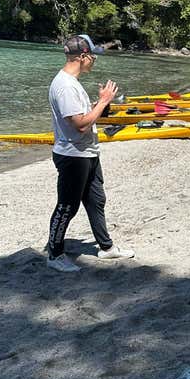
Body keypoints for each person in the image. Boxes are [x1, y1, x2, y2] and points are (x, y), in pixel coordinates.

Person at [46, 34, 134, 272]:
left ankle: (106, 248)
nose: (94, 59)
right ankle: (54, 254)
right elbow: (81, 124)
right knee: (67, 206)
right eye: (92, 55)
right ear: (82, 56)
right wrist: (103, 102)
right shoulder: (65, 86)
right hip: (73, 155)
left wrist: (100, 104)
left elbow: (84, 118)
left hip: (87, 152)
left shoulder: (72, 83)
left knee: (96, 200)